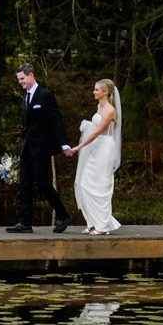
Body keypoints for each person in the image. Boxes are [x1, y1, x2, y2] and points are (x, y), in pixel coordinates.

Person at [6, 63, 73, 234]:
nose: (20, 82)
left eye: (22, 79)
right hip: (27, 148)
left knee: (42, 183)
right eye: (18, 79)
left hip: (41, 148)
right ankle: (25, 223)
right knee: (25, 183)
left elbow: (56, 120)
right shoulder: (25, 98)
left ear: (31, 76)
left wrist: (64, 144)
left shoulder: (45, 95)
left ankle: (64, 215)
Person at [64, 78, 122, 234]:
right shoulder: (99, 106)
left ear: (106, 92)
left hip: (105, 149)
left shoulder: (110, 110)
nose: (94, 92)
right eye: (94, 89)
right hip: (96, 148)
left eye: (97, 90)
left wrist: (77, 147)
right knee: (84, 184)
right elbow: (94, 127)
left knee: (100, 186)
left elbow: (97, 132)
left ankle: (102, 226)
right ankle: (92, 221)